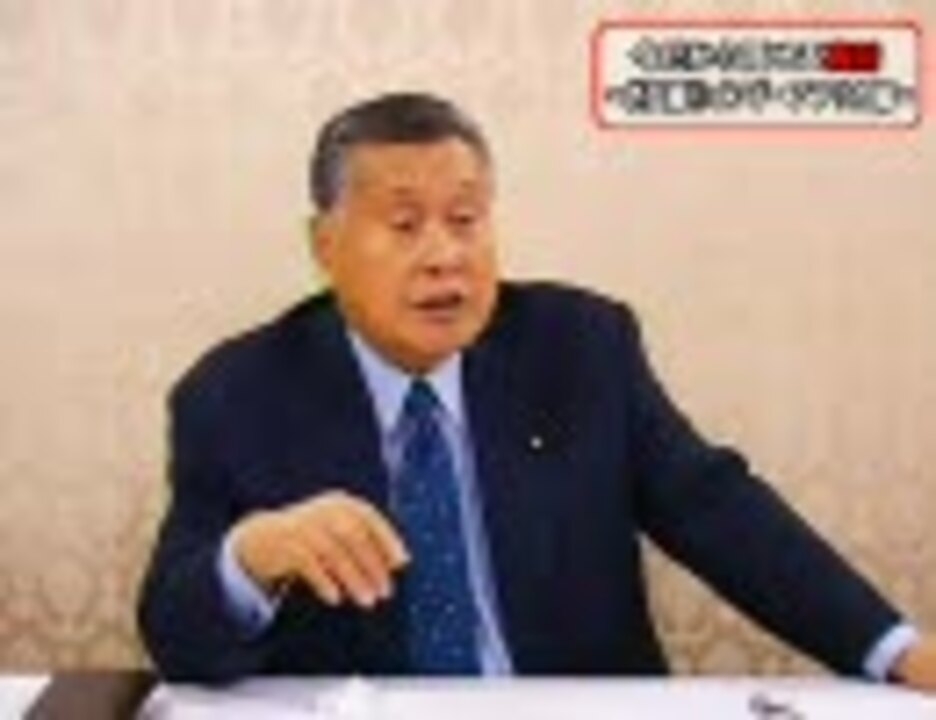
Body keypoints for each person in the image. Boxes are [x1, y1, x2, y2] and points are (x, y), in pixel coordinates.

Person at [138, 92, 936, 687]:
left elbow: (718, 511)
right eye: (405, 225)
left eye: (466, 218)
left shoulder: (582, 348)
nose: (445, 255)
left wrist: (897, 651)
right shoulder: (235, 394)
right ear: (326, 245)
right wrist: (249, 558)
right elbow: (174, 634)